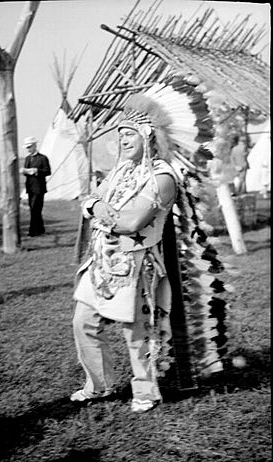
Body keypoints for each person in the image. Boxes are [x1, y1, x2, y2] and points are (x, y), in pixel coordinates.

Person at [71, 92, 229, 413]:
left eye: (129, 134)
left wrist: (99, 209)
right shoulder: (120, 171)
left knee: (137, 332)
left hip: (136, 263)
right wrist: (99, 206)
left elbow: (132, 221)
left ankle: (145, 391)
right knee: (82, 321)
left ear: (148, 136)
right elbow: (89, 200)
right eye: (121, 135)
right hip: (102, 261)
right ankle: (98, 385)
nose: (123, 140)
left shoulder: (162, 176)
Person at [20, 136, 51, 236]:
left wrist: (37, 171)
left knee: (35, 209)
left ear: (34, 145)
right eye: (27, 147)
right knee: (34, 209)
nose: (28, 149)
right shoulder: (27, 158)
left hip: (39, 188)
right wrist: (24, 172)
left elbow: (47, 171)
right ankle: (40, 229)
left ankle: (33, 231)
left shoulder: (42, 158)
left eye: (29, 147)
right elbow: (27, 172)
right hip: (30, 188)